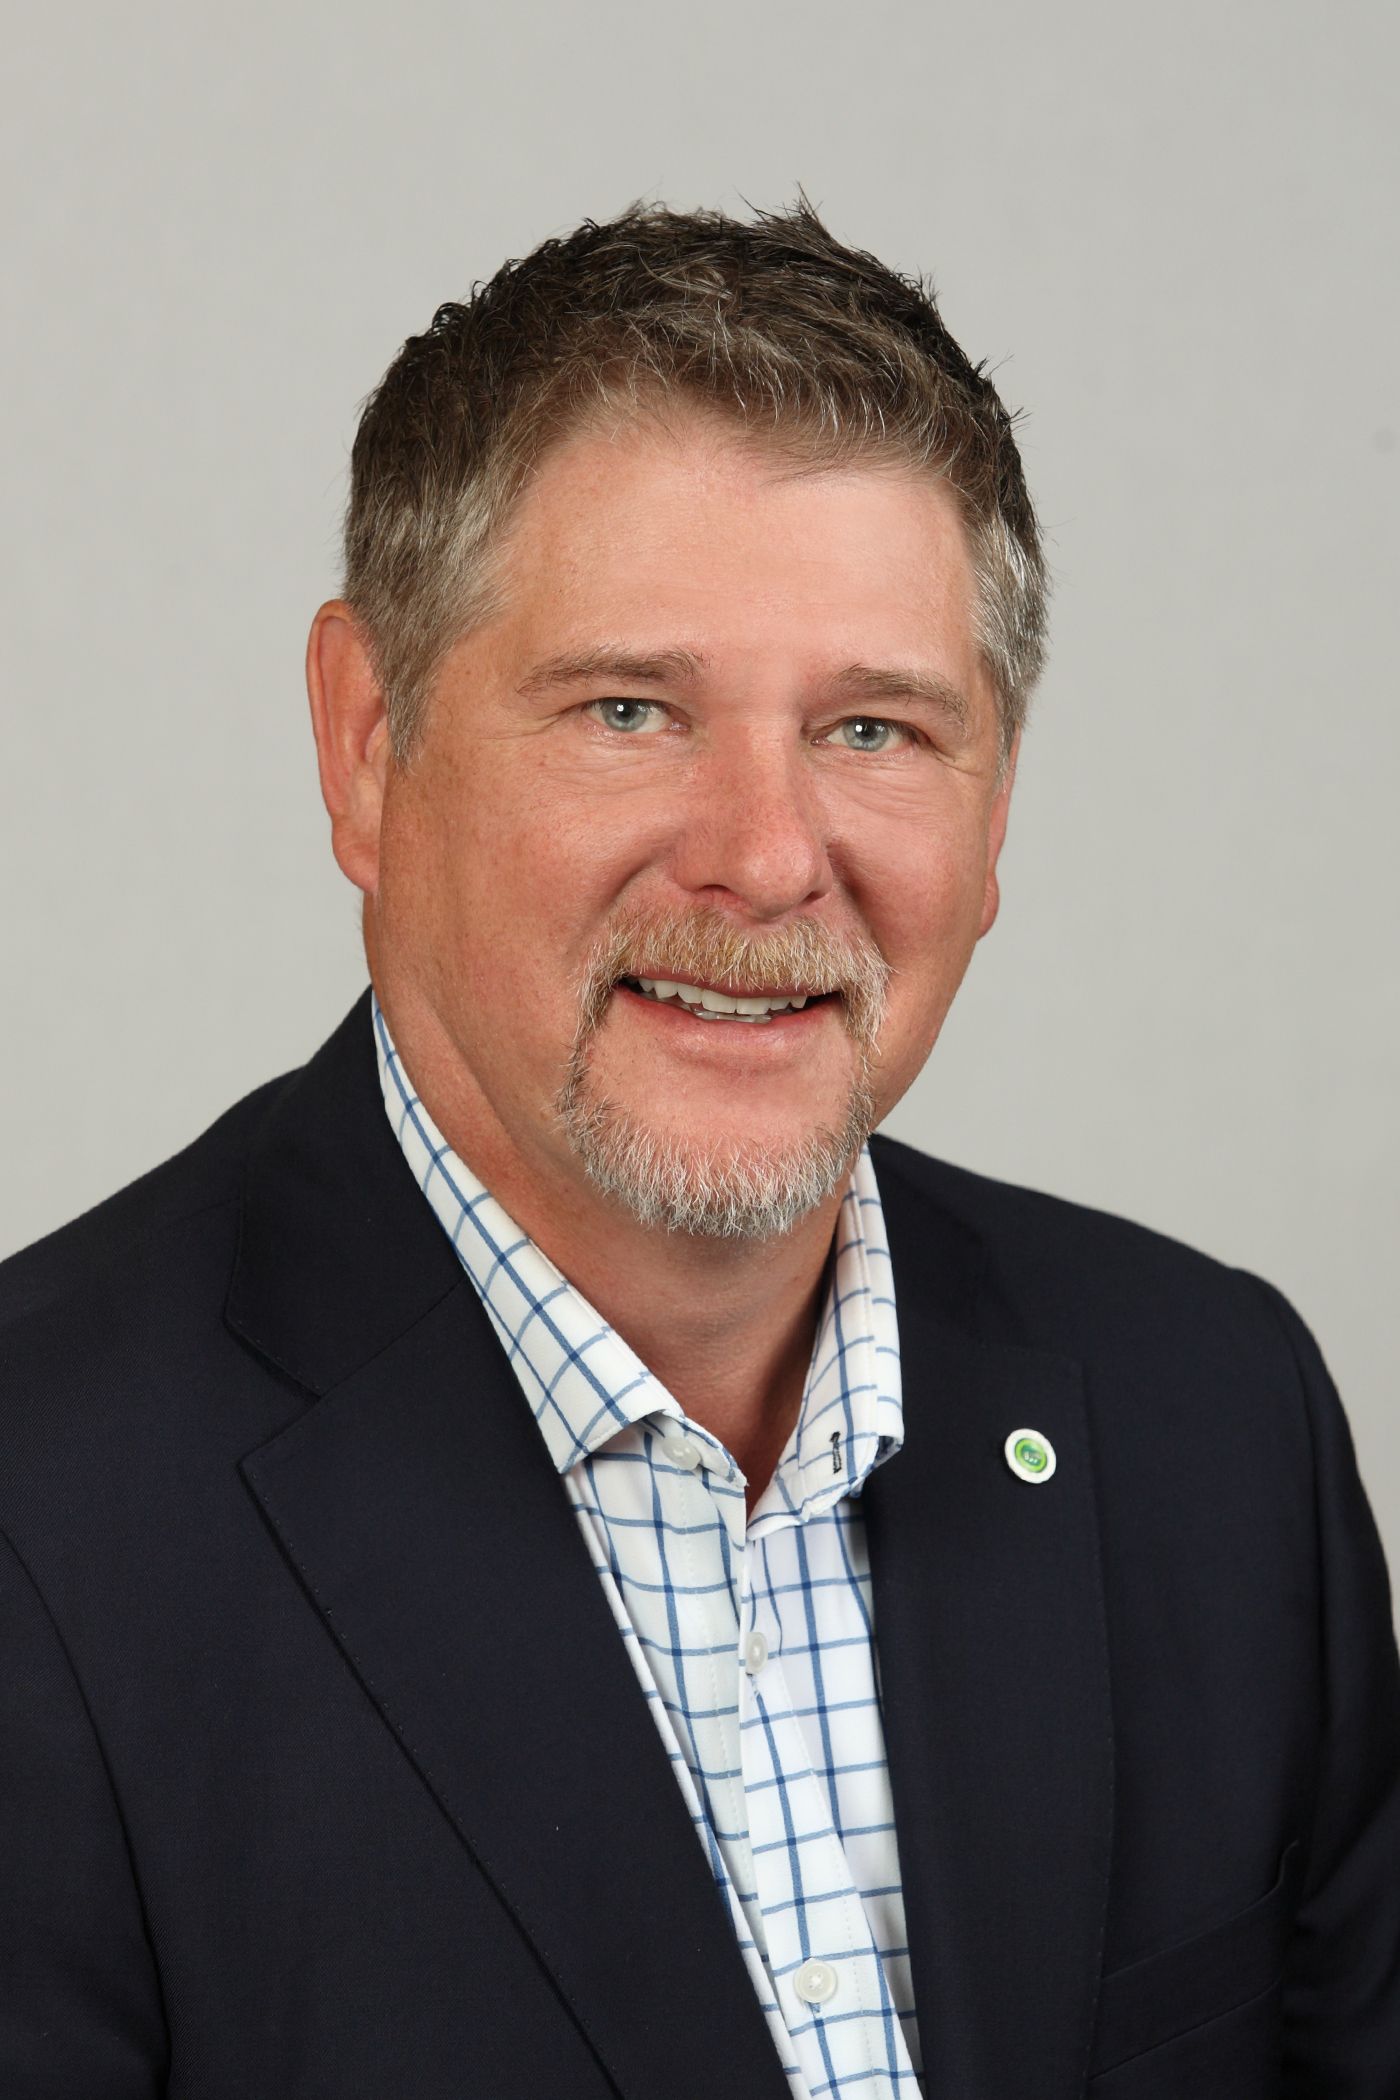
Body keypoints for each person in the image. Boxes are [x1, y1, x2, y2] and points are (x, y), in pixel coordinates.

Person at [1, 200, 1396, 2100]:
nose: (764, 855)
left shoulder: (1217, 1424)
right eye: (630, 709)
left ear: (998, 802)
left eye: (875, 729)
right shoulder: (42, 1521)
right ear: (368, 743)